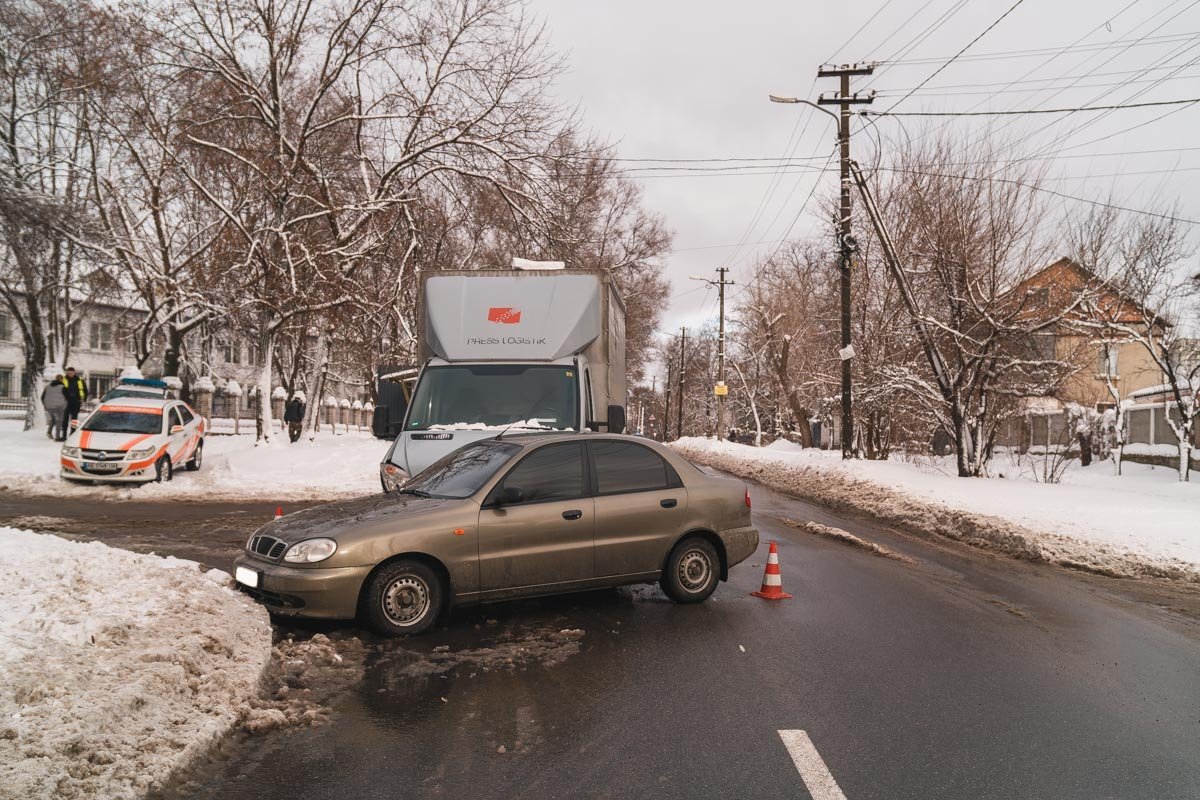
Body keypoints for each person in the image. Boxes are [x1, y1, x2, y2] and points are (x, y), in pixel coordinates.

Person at [60, 366, 88, 440]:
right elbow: (60, 390)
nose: (70, 374)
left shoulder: (79, 380)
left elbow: (85, 390)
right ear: (67, 373)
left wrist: (84, 398)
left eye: (71, 373)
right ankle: (64, 435)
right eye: (68, 373)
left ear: (74, 372)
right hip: (66, 402)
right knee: (65, 419)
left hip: (76, 402)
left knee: (74, 420)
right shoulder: (64, 380)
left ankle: (72, 434)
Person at [41, 375, 67, 440]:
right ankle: (57, 436)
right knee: (59, 421)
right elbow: (67, 397)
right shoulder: (63, 387)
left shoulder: (47, 386)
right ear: (62, 379)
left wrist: (45, 405)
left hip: (49, 407)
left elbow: (42, 397)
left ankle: (49, 432)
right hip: (59, 406)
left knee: (53, 419)